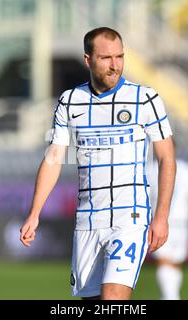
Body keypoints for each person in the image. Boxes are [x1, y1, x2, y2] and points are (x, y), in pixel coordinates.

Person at [20, 27, 176, 300]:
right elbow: (54, 158)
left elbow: (166, 158)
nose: (115, 65)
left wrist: (161, 217)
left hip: (131, 217)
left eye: (120, 56)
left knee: (113, 296)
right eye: (106, 58)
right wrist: (35, 213)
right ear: (88, 59)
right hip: (88, 221)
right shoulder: (70, 102)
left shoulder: (144, 98)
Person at [148, 158, 188, 300]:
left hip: (161, 222)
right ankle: (170, 296)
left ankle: (170, 297)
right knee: (172, 263)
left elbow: (143, 197)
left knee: (166, 262)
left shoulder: (151, 170)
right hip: (182, 224)